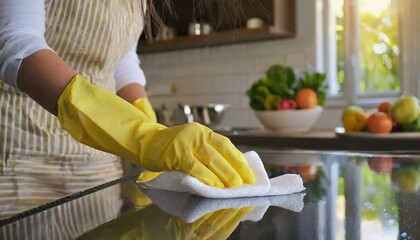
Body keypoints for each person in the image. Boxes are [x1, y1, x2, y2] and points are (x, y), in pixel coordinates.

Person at [0, 0, 255, 201]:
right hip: (22, 158)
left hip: (98, 164)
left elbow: (123, 62)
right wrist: (142, 137)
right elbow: (15, 43)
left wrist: (150, 125)